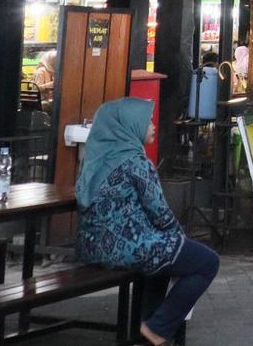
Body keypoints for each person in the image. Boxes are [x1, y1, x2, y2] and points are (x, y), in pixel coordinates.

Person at [75, 98, 218, 345]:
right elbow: (160, 213)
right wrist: (180, 239)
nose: (152, 125)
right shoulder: (136, 163)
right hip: (128, 248)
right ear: (129, 125)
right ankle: (157, 328)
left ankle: (147, 327)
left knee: (165, 254)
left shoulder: (93, 161)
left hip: (91, 248)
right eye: (147, 120)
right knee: (206, 262)